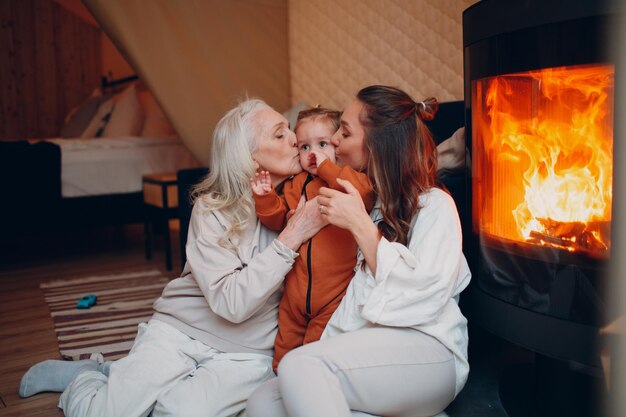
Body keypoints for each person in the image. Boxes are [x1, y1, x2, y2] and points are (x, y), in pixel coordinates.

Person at [19, 99, 326, 417]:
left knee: (172, 412)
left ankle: (121, 374)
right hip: (182, 329)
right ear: (248, 156)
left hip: (247, 353)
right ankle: (87, 377)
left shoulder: (310, 200)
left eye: (290, 129)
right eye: (279, 134)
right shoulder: (212, 210)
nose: (294, 138)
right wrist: (291, 237)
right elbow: (231, 304)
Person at [247, 85, 472, 417]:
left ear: (378, 145)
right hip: (367, 353)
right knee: (264, 402)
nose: (334, 140)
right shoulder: (367, 201)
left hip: (427, 350)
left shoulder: (434, 205)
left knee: (300, 368)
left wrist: (361, 226)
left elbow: (421, 296)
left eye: (345, 132)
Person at [250, 107, 374, 371]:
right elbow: (279, 220)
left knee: (314, 354)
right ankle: (280, 387)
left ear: (337, 146)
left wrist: (327, 167)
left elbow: (363, 193)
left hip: (333, 295)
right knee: (284, 350)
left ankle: (307, 385)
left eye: (322, 144)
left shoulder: (345, 178)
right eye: (304, 147)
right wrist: (265, 198)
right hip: (294, 295)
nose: (312, 153)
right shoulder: (296, 185)